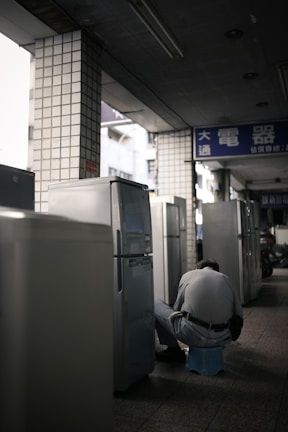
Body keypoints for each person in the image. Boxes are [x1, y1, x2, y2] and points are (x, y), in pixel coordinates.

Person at [154, 259, 243, 362]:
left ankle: (173, 350)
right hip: (222, 338)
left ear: (197, 268)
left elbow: (176, 309)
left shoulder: (188, 275)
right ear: (217, 271)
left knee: (155, 303)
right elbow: (239, 315)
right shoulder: (228, 280)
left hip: (191, 335)